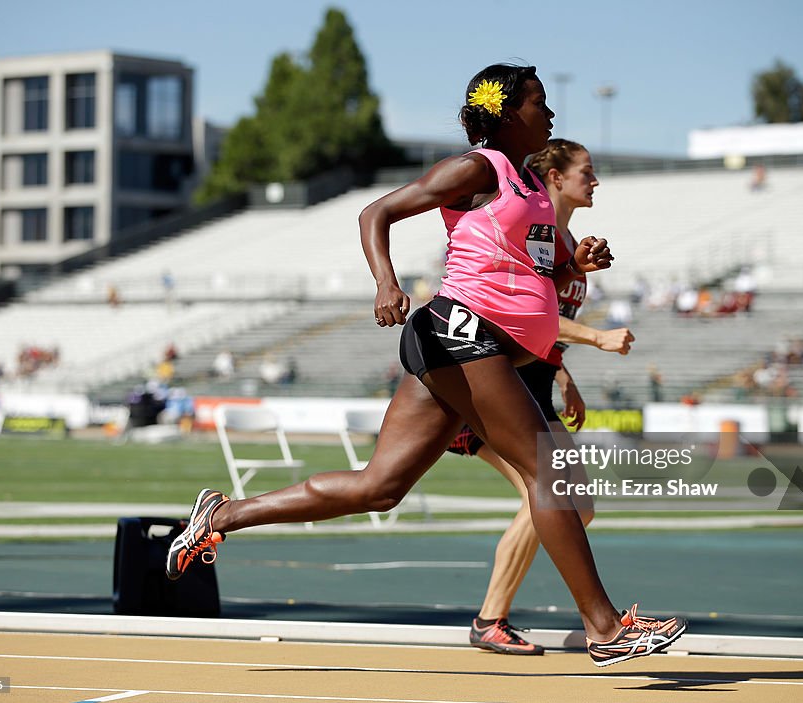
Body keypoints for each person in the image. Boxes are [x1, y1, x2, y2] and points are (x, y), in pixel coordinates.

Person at [165, 64, 686, 667]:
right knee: (550, 470)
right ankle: (605, 628)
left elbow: (529, 276)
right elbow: (375, 214)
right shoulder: (477, 168)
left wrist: (575, 268)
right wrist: (386, 283)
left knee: (380, 488)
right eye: (540, 103)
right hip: (460, 333)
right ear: (508, 112)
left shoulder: (532, 189)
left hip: (474, 347)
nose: (549, 115)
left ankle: (221, 516)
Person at [447, 138, 635, 656]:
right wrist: (596, 337)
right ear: (555, 177)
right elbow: (518, 312)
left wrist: (563, 375)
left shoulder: (568, 239)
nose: (594, 181)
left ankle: (500, 617)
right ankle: (493, 619)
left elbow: (547, 327)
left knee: (580, 504)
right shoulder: (534, 233)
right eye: (587, 172)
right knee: (550, 493)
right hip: (490, 380)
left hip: (535, 383)